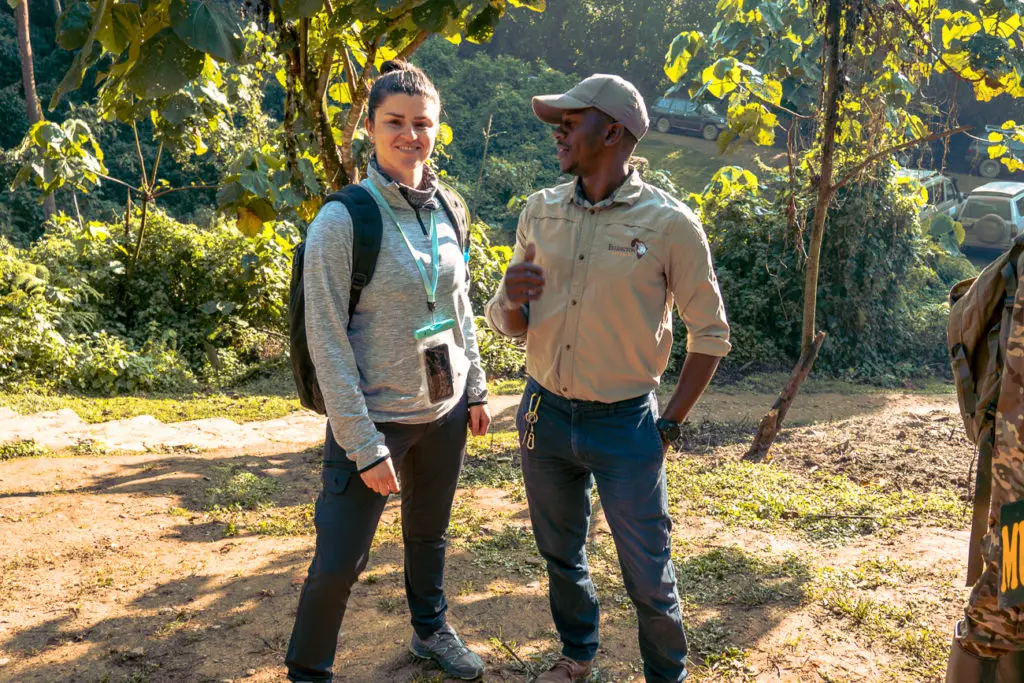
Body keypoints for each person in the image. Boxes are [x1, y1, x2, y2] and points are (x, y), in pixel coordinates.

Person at [484, 74, 731, 683]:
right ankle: (577, 656)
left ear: (614, 131)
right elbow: (508, 322)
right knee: (561, 554)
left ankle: (664, 675)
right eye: (558, 120)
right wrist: (511, 299)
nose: (559, 129)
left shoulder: (671, 225)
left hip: (626, 423)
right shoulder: (540, 212)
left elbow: (712, 335)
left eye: (573, 118)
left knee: (648, 570)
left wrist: (668, 424)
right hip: (543, 413)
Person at [286, 60, 490, 682]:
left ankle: (431, 632)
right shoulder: (343, 220)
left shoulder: (449, 207)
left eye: (422, 123)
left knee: (429, 537)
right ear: (370, 129)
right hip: (375, 423)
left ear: (436, 129)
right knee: (339, 560)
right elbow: (326, 337)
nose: (410, 135)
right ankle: (308, 671)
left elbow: (458, 306)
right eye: (395, 122)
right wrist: (365, 446)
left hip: (444, 412)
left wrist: (474, 386)